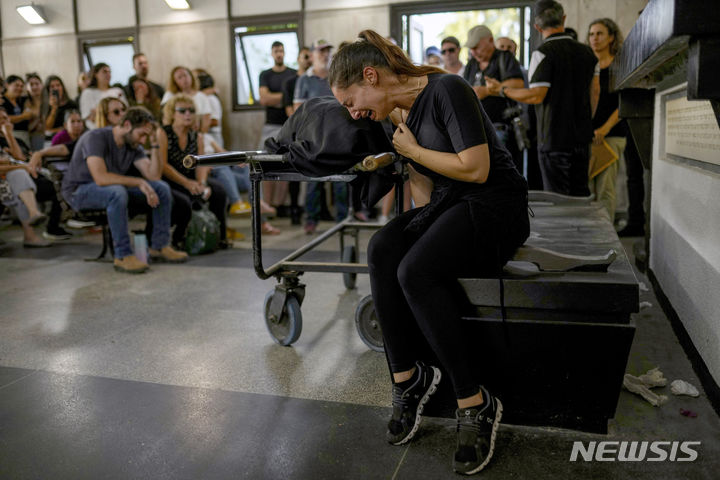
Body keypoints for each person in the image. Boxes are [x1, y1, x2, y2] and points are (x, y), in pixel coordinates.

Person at [329, 30, 529, 475]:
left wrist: (413, 150)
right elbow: (426, 193)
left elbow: (475, 169)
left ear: (371, 75)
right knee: (383, 247)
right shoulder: (394, 117)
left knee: (415, 271)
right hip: (450, 202)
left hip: (496, 204)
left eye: (351, 100)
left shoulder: (447, 89)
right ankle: (407, 378)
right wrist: (409, 167)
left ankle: (474, 401)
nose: (354, 112)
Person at [486, 0, 600, 197]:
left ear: (537, 27)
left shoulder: (542, 53)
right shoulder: (588, 52)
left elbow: (536, 95)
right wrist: (586, 122)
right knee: (581, 196)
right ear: (563, 19)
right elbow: (595, 92)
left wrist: (502, 90)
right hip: (582, 138)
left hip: (554, 139)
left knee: (558, 200)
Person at [61, 106, 188, 273]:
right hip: (79, 191)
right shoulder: (95, 137)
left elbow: (154, 176)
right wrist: (138, 183)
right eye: (142, 134)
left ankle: (159, 246)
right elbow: (101, 178)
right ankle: (123, 255)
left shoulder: (133, 144)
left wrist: (155, 144)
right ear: (127, 125)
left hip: (110, 189)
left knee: (161, 188)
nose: (143, 141)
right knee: (117, 192)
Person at [157, 95, 229, 249]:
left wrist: (202, 183)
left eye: (191, 110)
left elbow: (201, 164)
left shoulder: (197, 136)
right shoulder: (163, 133)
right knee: (184, 198)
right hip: (170, 179)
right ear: (172, 113)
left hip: (191, 178)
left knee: (218, 191)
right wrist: (187, 183)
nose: (187, 114)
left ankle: (218, 236)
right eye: (182, 111)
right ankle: (178, 238)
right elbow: (163, 165)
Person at [295, 39, 349, 234]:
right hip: (312, 136)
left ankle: (343, 220)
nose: (325, 54)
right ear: (312, 54)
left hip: (337, 135)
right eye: (320, 51)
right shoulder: (304, 79)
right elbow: (297, 110)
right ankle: (311, 219)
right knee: (312, 180)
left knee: (341, 180)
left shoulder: (337, 77)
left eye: (327, 50)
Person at [462, 25, 525, 173]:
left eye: (477, 47)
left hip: (501, 127)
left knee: (504, 173)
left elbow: (518, 84)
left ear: (490, 41)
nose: (473, 51)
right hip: (476, 130)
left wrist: (488, 91)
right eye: (471, 48)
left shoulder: (504, 57)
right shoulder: (471, 64)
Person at [588, 18, 626, 223]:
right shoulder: (587, 65)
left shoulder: (619, 64)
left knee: (606, 190)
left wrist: (604, 129)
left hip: (611, 135)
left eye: (600, 34)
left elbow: (624, 104)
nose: (595, 39)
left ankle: (605, 240)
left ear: (611, 37)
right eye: (591, 34)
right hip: (588, 135)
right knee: (585, 191)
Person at [258, 41, 297, 218]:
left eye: (281, 50)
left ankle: (280, 206)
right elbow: (264, 99)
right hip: (270, 125)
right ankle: (268, 204)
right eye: (276, 51)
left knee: (285, 164)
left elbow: (294, 98)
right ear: (272, 53)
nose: (279, 53)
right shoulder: (265, 74)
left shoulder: (292, 74)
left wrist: (277, 98)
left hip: (289, 125)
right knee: (264, 163)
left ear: (284, 52)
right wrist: (286, 97)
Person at [281, 46, 312, 224]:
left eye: (310, 57)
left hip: (314, 131)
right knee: (295, 169)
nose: (307, 60)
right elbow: (289, 110)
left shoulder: (317, 80)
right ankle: (294, 208)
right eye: (305, 57)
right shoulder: (290, 82)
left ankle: (318, 210)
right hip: (296, 129)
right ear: (299, 58)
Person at [161, 66, 212, 134]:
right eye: (180, 77)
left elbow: (206, 120)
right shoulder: (170, 95)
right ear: (175, 82)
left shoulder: (201, 97)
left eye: (185, 75)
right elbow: (166, 118)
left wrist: (200, 135)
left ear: (191, 76)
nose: (184, 79)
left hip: (197, 133)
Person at [79, 63, 126, 130]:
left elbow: (125, 111)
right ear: (95, 74)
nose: (108, 74)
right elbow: (89, 117)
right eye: (104, 71)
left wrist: (98, 112)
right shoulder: (88, 93)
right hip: (96, 130)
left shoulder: (117, 91)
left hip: (119, 129)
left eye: (109, 72)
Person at [3, 75, 33, 146]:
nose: (19, 88)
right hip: (9, 135)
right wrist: (23, 116)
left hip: (25, 135)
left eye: (21, 86)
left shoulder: (22, 100)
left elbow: (29, 114)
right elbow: (4, 120)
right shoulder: (2, 100)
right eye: (16, 85)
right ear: (7, 85)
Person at [25, 73, 46, 151]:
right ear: (27, 87)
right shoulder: (26, 103)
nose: (34, 87)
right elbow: (28, 128)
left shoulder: (46, 101)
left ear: (42, 85)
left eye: (37, 84)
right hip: (30, 138)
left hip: (45, 137)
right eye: (31, 84)